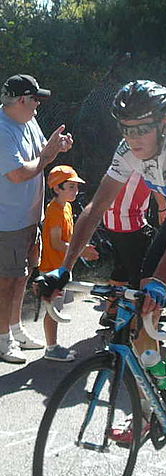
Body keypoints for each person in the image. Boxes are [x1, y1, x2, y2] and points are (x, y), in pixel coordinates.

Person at [40, 80, 166, 442]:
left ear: (164, 123)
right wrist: (64, 268)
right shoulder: (127, 151)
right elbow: (94, 209)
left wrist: (160, 281)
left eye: (143, 129)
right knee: (138, 307)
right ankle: (150, 405)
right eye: (126, 128)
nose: (134, 138)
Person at [0, 73, 73, 364]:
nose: (38, 106)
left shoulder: (27, 120)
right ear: (21, 100)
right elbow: (18, 173)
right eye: (35, 100)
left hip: (29, 218)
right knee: (6, 282)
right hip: (8, 222)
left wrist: (59, 146)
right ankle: (3, 340)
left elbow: (43, 150)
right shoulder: (2, 130)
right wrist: (47, 156)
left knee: (21, 278)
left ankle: (16, 331)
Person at [40, 166, 98, 360]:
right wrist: (81, 251)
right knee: (53, 309)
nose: (76, 190)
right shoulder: (54, 210)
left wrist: (82, 247)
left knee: (58, 307)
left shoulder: (66, 206)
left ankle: (53, 345)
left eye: (76, 186)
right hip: (52, 268)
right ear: (57, 188)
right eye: (71, 186)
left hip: (63, 267)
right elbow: (56, 242)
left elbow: (68, 237)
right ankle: (51, 348)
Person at [100, 171, 155, 326]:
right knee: (140, 274)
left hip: (111, 220)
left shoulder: (122, 159)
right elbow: (157, 187)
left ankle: (110, 312)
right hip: (130, 222)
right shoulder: (148, 162)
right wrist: (163, 209)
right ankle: (137, 320)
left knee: (121, 267)